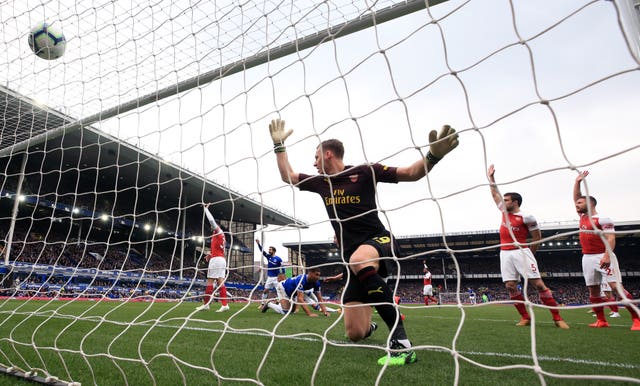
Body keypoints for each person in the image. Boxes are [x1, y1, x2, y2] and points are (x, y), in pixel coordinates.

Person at [268, 118, 459, 366]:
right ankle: (372, 318)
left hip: (378, 242)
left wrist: (433, 156)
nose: (313, 163)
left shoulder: (366, 171)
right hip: (352, 260)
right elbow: (288, 176)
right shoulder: (321, 183)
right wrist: (279, 146)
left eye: (316, 157)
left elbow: (412, 173)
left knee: (359, 258)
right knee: (355, 333)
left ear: (328, 155)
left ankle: (401, 344)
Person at [488, 165, 569, 329]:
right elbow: (495, 194)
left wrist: (530, 253)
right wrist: (491, 179)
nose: (503, 202)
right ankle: (525, 317)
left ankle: (557, 318)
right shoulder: (504, 212)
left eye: (507, 200)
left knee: (538, 285)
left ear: (515, 202)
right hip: (505, 253)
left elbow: (537, 237)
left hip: (521, 252)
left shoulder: (527, 217)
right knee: (510, 286)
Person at [573, 171, 639, 330]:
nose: (577, 205)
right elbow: (575, 197)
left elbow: (611, 238)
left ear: (591, 204)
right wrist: (577, 182)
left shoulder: (603, 219)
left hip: (603, 255)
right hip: (586, 258)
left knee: (616, 287)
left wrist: (607, 256)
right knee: (593, 289)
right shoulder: (582, 217)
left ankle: (637, 319)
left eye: (580, 203)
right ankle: (601, 320)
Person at [196, 204, 229, 312]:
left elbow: (211, 221)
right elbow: (219, 249)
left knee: (210, 281)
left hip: (217, 260)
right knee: (220, 282)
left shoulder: (218, 231)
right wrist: (210, 254)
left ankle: (206, 304)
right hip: (220, 259)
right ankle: (225, 304)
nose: (211, 227)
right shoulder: (218, 236)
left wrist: (206, 209)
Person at [261, 268, 327, 317]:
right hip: (283, 287)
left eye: (319, 275)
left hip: (292, 293)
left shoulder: (316, 283)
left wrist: (325, 312)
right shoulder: (301, 280)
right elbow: (300, 299)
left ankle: (280, 304)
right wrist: (309, 313)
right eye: (316, 275)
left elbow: (320, 299)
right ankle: (269, 304)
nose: (318, 277)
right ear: (310, 273)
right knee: (286, 312)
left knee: (292, 311)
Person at [255, 239, 285, 306]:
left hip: (276, 278)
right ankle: (262, 304)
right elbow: (262, 251)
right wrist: (258, 244)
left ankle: (279, 303)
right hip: (269, 277)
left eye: (270, 249)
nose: (269, 251)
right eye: (269, 249)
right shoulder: (268, 257)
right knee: (265, 290)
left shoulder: (278, 259)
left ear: (274, 251)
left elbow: (282, 267)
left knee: (279, 291)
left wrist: (283, 275)